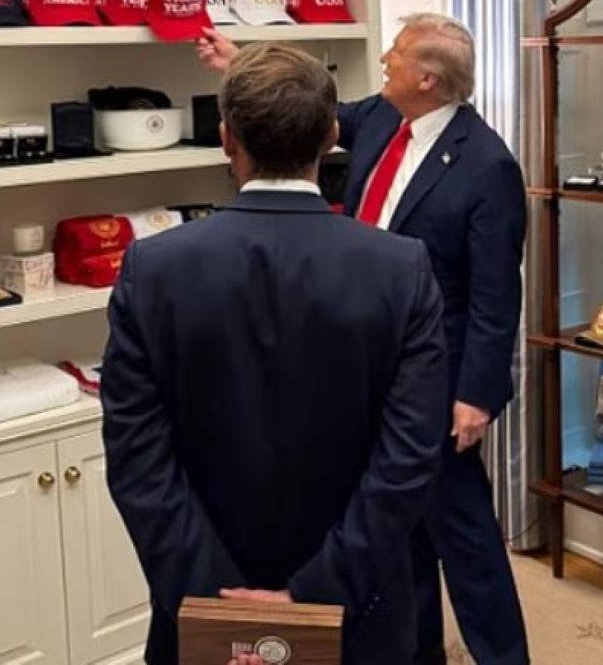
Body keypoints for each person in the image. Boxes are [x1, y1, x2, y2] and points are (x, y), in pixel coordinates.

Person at [102, 43, 451, 665]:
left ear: (226, 138)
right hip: (360, 614)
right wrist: (317, 595)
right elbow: (408, 459)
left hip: (203, 617)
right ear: (332, 135)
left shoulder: (154, 268)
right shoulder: (400, 268)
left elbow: (138, 462)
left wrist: (221, 607)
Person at [198, 15, 530, 665]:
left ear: (428, 79)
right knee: (399, 535)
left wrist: (477, 395)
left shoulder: (487, 164)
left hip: (438, 379)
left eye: (397, 54)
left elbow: (496, 293)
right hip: (364, 363)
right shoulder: (381, 115)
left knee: (466, 540)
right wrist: (241, 59)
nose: (384, 59)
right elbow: (312, 112)